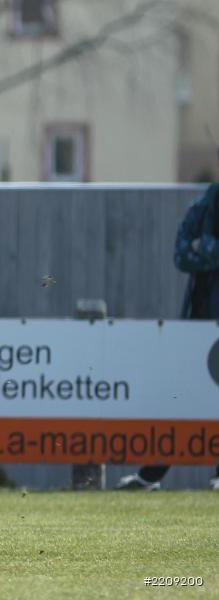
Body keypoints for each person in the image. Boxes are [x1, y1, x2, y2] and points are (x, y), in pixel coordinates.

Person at [116, 180, 219, 491]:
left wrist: (206, 247)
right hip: (200, 320)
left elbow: (195, 251)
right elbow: (181, 255)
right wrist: (205, 248)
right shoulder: (202, 207)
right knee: (181, 398)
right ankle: (151, 475)